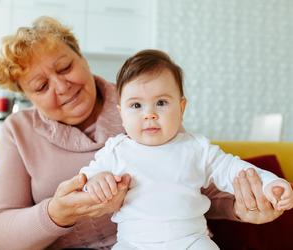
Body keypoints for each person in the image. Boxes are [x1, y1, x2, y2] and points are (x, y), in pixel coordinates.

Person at [0, 16, 284, 250]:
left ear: (82, 57)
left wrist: (242, 207)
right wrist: (56, 213)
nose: (61, 85)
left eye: (66, 67)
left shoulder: (144, 98)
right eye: (41, 86)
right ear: (26, 96)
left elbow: (194, 177)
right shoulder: (18, 131)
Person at [79, 49, 293, 249]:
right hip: (133, 243)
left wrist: (270, 184)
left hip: (190, 241)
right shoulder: (115, 150)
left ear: (181, 108)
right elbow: (86, 179)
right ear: (121, 114)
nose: (149, 114)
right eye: (136, 105)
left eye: (161, 102)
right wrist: (96, 182)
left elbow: (235, 170)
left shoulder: (197, 148)